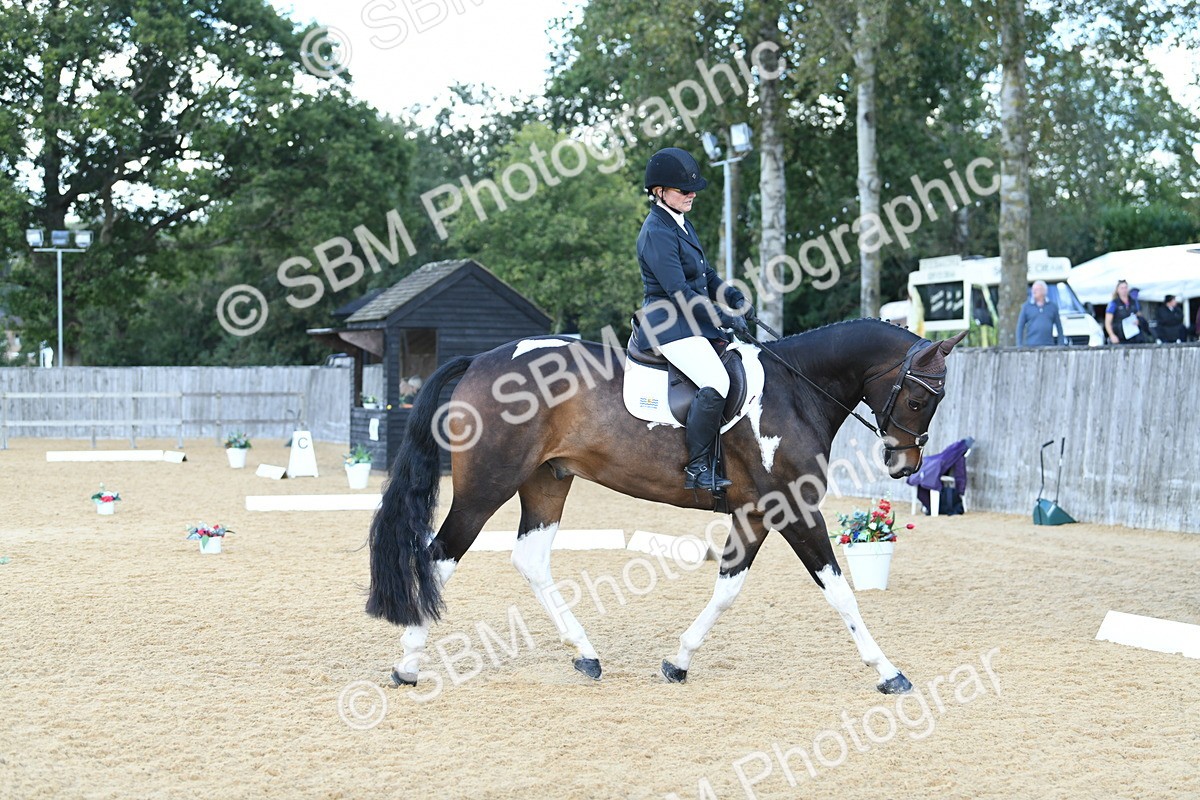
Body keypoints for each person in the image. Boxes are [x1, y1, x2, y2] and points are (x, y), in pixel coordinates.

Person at [635, 147, 753, 492]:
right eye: (683, 190)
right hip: (668, 322)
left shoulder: (680, 222)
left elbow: (705, 274)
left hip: (690, 319)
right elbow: (679, 292)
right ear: (659, 192)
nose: (691, 195)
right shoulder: (656, 231)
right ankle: (698, 467)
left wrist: (733, 296)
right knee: (716, 381)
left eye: (693, 189)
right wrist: (723, 317)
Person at [1015, 280, 1065, 346]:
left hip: (1048, 345)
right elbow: (1020, 327)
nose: (1034, 291)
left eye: (1037, 289)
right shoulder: (1026, 307)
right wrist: (1019, 345)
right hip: (1031, 346)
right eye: (1033, 289)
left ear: (1044, 291)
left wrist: (1061, 345)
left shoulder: (1052, 307)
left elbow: (1059, 327)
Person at [1104, 280, 1145, 344]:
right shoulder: (1113, 303)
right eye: (1122, 288)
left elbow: (1139, 315)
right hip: (1120, 336)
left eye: (1125, 288)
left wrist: (1138, 321)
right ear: (1117, 290)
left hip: (1133, 335)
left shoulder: (1133, 302)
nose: (1124, 290)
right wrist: (1112, 335)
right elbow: (1107, 322)